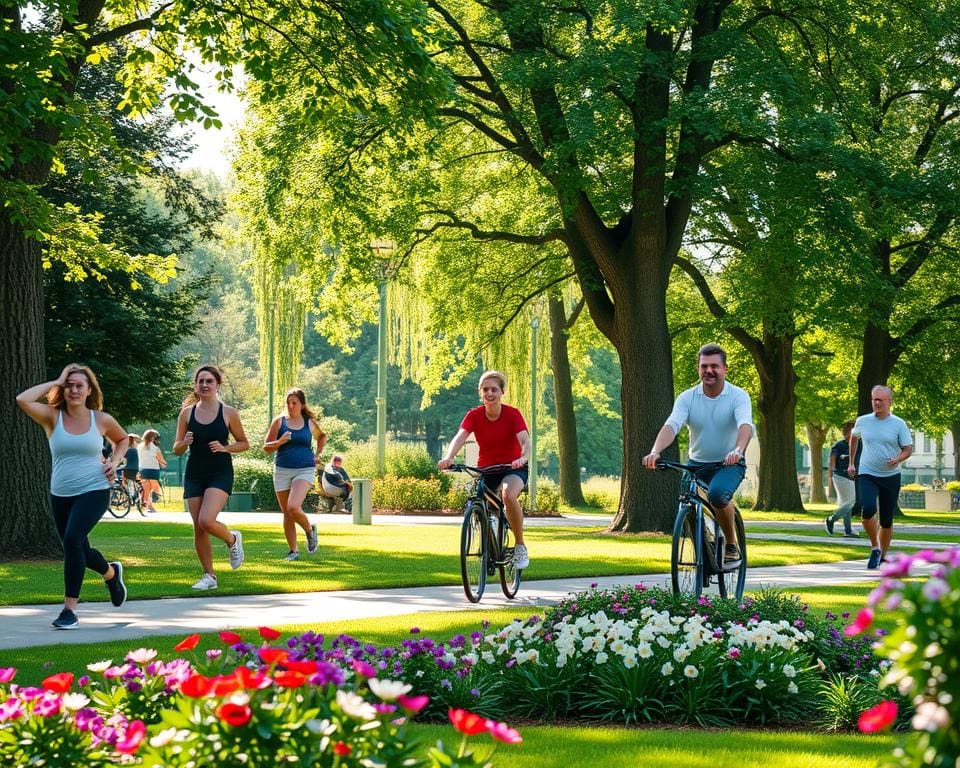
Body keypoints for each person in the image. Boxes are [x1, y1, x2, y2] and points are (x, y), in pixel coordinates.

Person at [16, 364, 130, 629]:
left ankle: (69, 610)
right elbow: (23, 399)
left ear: (90, 390)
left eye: (80, 385)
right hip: (61, 493)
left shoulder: (100, 419)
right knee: (79, 547)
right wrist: (56, 380)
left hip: (94, 489)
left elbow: (122, 439)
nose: (74, 390)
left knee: (72, 540)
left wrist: (114, 461)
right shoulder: (52, 417)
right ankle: (111, 574)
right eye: (69, 385)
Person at [642, 343, 754, 567]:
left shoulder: (738, 396)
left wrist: (738, 450)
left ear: (725, 369)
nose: (709, 371)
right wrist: (655, 451)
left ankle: (731, 543)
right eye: (704, 366)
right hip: (697, 464)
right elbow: (672, 425)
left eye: (715, 366)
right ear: (698, 368)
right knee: (687, 504)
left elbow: (745, 425)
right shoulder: (688, 398)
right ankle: (707, 547)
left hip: (728, 463)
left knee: (718, 495)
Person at [438, 370, 531, 569]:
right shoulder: (474, 415)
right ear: (480, 393)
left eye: (494, 389)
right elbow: (460, 437)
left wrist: (522, 458)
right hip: (487, 469)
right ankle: (492, 525)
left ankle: (520, 546)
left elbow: (525, 440)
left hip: (512, 468)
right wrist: (449, 457)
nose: (490, 393)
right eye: (485, 389)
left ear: (502, 392)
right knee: (480, 502)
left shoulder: (512, 414)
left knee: (507, 494)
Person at [173, 365, 249, 590]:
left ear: (217, 385)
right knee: (198, 528)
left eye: (209, 381)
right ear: (195, 385)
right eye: (200, 381)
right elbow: (176, 449)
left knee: (206, 520)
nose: (204, 385)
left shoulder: (228, 413)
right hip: (195, 473)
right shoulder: (187, 413)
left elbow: (244, 443)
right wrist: (184, 443)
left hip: (220, 472)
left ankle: (232, 539)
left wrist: (226, 448)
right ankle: (209, 577)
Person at [847, 385, 913, 569]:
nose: (876, 403)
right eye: (873, 399)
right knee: (867, 509)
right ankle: (875, 547)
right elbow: (854, 438)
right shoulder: (863, 421)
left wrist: (898, 459)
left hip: (891, 475)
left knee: (886, 519)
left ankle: (882, 555)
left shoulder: (898, 424)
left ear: (889, 402)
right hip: (868, 472)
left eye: (880, 400)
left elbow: (908, 449)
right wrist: (852, 462)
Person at [264, 388, 327, 560]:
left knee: (293, 506)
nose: (291, 406)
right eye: (288, 403)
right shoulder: (279, 422)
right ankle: (293, 551)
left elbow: (321, 436)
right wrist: (280, 441)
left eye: (295, 403)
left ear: (302, 404)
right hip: (282, 470)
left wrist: (319, 453)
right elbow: (266, 448)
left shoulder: (309, 422)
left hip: (304, 468)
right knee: (287, 513)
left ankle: (309, 530)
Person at [824, 421, 858, 537]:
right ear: (848, 433)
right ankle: (831, 519)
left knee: (846, 503)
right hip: (840, 476)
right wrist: (832, 474)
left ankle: (848, 531)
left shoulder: (858, 444)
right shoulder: (839, 445)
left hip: (850, 477)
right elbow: (832, 460)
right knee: (851, 502)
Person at [138, 429, 167, 513]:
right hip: (153, 470)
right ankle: (156, 496)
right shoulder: (155, 448)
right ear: (153, 438)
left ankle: (148, 506)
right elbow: (162, 461)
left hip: (142, 469)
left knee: (146, 489)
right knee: (151, 488)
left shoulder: (139, 446)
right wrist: (163, 463)